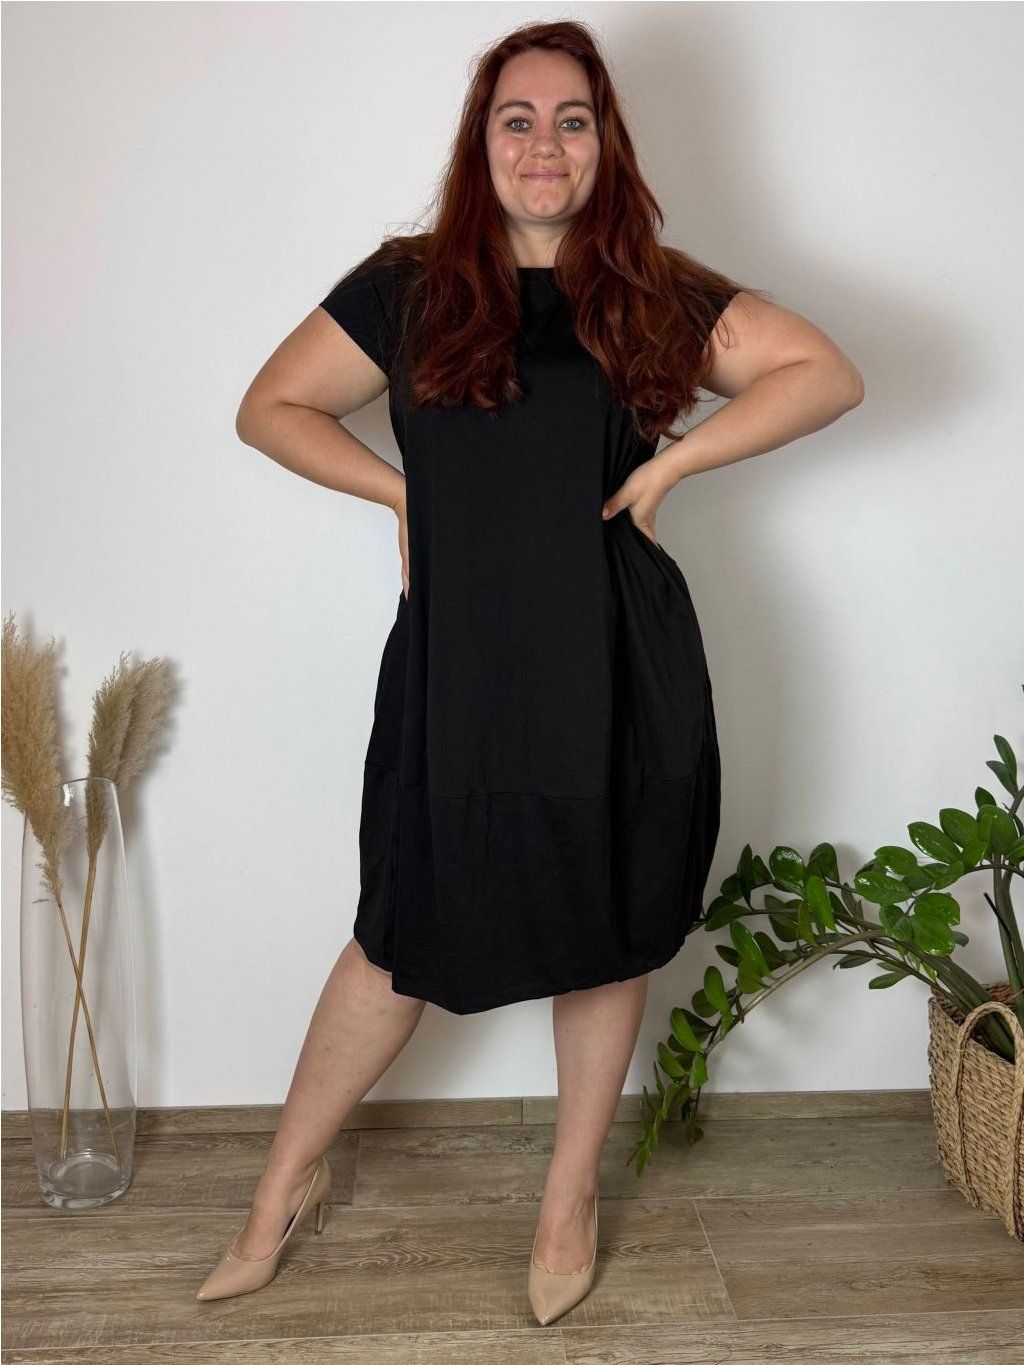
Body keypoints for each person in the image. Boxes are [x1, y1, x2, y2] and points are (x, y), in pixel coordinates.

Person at [196, 18, 863, 1324]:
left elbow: (824, 373)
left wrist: (674, 464)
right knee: (396, 935)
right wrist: (403, 497)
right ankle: (278, 1191)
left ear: (606, 143)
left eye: (572, 119)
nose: (544, 142)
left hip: (613, 654)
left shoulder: (647, 291)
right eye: (519, 118)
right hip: (459, 662)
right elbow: (269, 408)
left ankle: (567, 1201)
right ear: (482, 141)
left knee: (603, 925)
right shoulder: (409, 287)